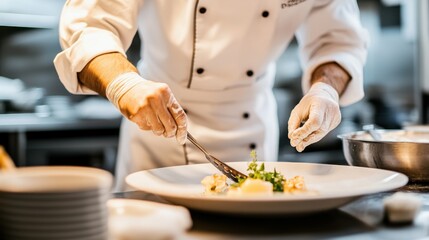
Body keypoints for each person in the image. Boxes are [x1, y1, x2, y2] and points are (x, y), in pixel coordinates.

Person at [54, 0, 369, 191]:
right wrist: (124, 84)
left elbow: (338, 40)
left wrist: (325, 89)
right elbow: (89, 27)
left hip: (252, 128)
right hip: (158, 132)